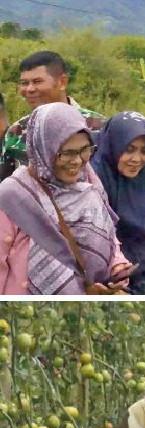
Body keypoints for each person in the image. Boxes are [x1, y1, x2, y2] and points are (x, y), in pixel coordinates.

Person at [0, 102, 131, 294]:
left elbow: (109, 237)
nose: (77, 161)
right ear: (43, 149)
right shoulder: (13, 196)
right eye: (67, 153)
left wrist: (117, 266)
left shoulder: (89, 181)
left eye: (84, 150)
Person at [1, 51, 104, 182]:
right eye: (24, 83)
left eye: (37, 81)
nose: (29, 89)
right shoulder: (17, 131)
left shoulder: (97, 126)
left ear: (62, 82)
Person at [91, 111, 145, 294]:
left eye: (144, 151)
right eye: (129, 149)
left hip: (144, 280)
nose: (137, 159)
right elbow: (90, 240)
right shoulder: (94, 181)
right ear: (114, 146)